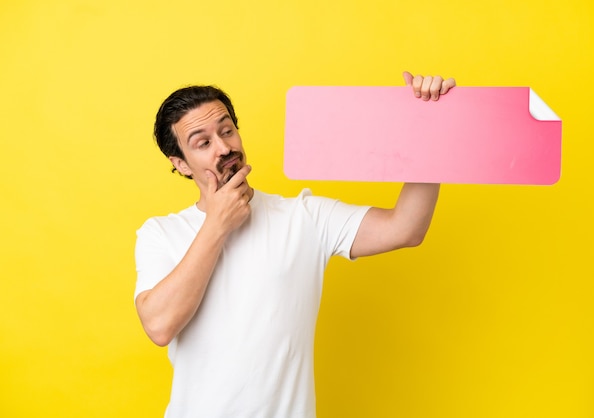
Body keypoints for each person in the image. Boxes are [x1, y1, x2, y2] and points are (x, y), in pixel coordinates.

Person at [134, 72, 456, 418]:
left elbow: (406, 228)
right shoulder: (161, 233)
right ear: (180, 164)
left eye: (227, 131)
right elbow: (159, 325)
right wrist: (217, 224)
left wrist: (428, 127)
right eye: (203, 143)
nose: (224, 148)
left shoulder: (304, 216)